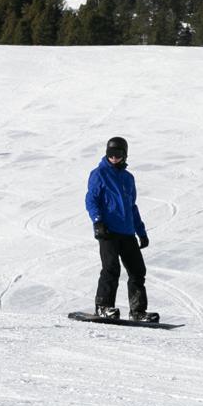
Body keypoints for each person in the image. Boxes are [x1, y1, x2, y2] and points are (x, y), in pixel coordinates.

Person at [85, 137, 157, 322]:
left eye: (118, 154)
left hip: (127, 232)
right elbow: (91, 200)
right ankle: (103, 306)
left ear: (124, 155)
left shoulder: (128, 178)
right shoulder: (99, 174)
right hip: (108, 231)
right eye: (110, 154)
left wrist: (141, 231)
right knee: (111, 269)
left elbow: (132, 206)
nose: (114, 158)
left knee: (137, 271)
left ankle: (138, 311)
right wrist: (98, 222)